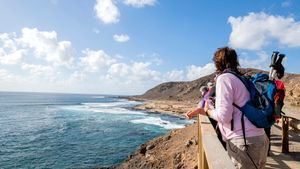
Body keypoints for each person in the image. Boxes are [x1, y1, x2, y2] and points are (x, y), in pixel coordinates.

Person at [186, 47, 269, 169]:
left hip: (244, 143)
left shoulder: (224, 78)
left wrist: (208, 111)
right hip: (260, 139)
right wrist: (203, 110)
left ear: (217, 62)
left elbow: (224, 116)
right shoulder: (241, 78)